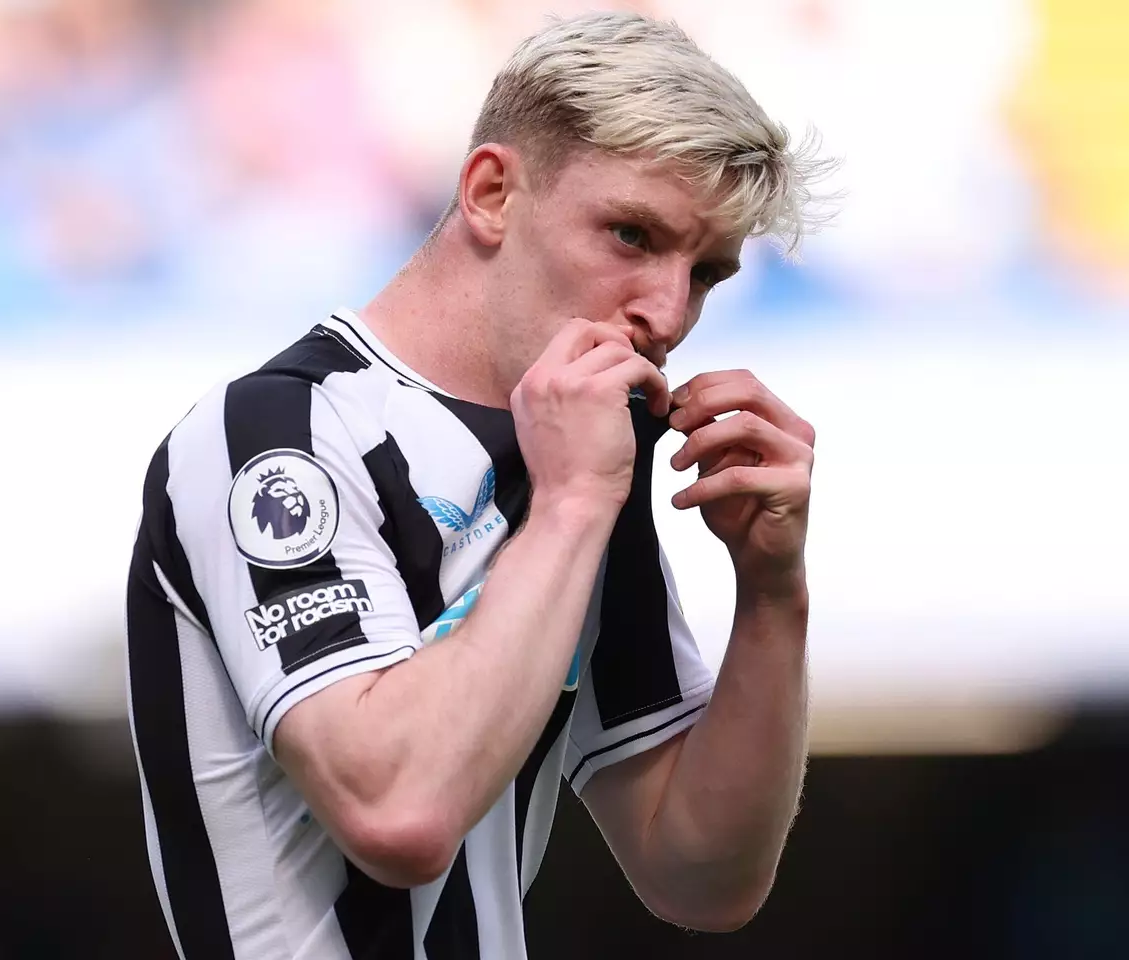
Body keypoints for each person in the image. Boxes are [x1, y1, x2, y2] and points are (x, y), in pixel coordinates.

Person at [126, 11, 828, 958]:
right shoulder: (274, 437)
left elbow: (701, 873)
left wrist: (773, 594)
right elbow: (398, 813)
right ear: (492, 192)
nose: (666, 312)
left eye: (704, 272)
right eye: (630, 234)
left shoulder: (582, 466)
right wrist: (574, 506)